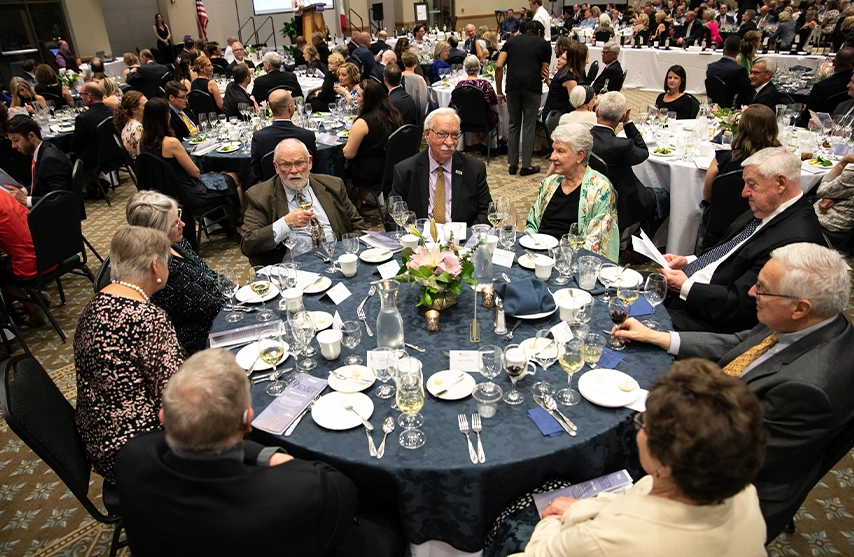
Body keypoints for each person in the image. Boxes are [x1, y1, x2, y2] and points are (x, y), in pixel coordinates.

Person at [613, 242, 854, 543]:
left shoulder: (808, 389)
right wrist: (657, 337)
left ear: (800, 308)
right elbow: (740, 343)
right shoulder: (812, 318)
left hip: (727, 493)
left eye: (763, 289)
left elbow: (727, 460)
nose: (752, 292)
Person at [115, 348, 405, 557]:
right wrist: (278, 458)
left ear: (163, 417)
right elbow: (346, 490)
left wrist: (265, 456)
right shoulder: (300, 490)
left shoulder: (131, 458)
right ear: (248, 421)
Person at [511, 359, 767, 557]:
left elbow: (540, 552)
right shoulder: (744, 493)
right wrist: (580, 509)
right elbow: (643, 500)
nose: (639, 427)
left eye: (644, 422)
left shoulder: (606, 539)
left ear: (666, 463)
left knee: (518, 509)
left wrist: (555, 520)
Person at [661, 147, 825, 333]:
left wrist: (685, 286)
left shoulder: (795, 240)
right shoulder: (767, 210)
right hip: (695, 293)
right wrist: (689, 262)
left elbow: (742, 305)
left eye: (752, 184)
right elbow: (726, 253)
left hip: (708, 319)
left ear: (780, 183)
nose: (744, 193)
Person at [74, 225, 184, 485]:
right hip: (143, 451)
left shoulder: (94, 304)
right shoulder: (147, 319)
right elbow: (177, 400)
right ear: (156, 266)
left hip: (101, 441)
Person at [125, 191, 226, 354]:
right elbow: (210, 309)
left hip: (219, 311)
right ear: (157, 233)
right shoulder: (162, 271)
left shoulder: (176, 243)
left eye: (179, 215)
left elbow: (209, 274)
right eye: (174, 223)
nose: (183, 224)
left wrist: (235, 290)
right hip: (202, 341)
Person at [241, 139, 366, 265]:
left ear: (309, 162)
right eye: (286, 165)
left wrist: (349, 257)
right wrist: (285, 223)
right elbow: (248, 244)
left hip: (336, 261)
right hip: (292, 269)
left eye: (300, 163)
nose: (294, 170)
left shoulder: (333, 185)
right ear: (276, 167)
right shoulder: (259, 196)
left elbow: (357, 225)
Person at [524, 123, 619, 260]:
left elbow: (598, 241)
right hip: (538, 254)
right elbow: (532, 223)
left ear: (580, 155)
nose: (552, 157)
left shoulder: (600, 189)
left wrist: (559, 256)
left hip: (572, 261)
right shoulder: (550, 183)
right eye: (553, 150)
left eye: (560, 151)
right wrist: (532, 247)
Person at [140, 98, 241, 222]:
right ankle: (237, 222)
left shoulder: (143, 142)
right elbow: (195, 173)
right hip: (186, 193)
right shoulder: (170, 143)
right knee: (233, 177)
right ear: (166, 116)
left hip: (160, 193)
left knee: (221, 175)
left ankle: (224, 222)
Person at [390, 108, 492, 226]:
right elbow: (392, 216)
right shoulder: (405, 171)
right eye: (442, 134)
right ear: (427, 135)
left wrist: (469, 239)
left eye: (454, 135)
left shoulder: (475, 170)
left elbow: (486, 212)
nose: (449, 142)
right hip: (420, 239)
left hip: (461, 241)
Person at [591, 92, 660, 234]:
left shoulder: (584, 136)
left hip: (591, 194)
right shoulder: (622, 145)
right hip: (621, 202)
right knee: (663, 196)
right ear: (622, 116)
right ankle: (640, 244)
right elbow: (643, 152)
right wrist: (627, 122)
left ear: (596, 112)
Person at [496, 20, 552, 177]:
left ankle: (512, 164)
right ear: (540, 32)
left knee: (514, 124)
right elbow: (544, 71)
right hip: (532, 87)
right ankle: (526, 165)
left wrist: (499, 92)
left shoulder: (511, 41)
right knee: (529, 126)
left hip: (512, 86)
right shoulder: (544, 44)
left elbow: (499, 65)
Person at [703, 104, 780, 203]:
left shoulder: (724, 158)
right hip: (765, 214)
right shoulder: (781, 161)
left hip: (723, 215)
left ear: (741, 127)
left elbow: (707, 195)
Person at [343, 79, 403, 203]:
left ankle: (350, 205)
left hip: (371, 174)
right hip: (390, 168)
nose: (356, 99)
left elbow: (348, 154)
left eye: (358, 96)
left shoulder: (363, 122)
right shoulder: (393, 114)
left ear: (368, 99)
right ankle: (358, 204)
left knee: (342, 167)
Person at [250, 89, 318, 184]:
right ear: (290, 107)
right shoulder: (307, 135)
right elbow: (315, 168)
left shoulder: (259, 137)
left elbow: (256, 172)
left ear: (271, 109)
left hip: (270, 188)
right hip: (302, 183)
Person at [3, 115, 72, 208]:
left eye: (16, 140)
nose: (13, 146)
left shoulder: (50, 160)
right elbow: (42, 185)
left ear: (32, 136)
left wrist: (25, 200)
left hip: (54, 217)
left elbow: (59, 198)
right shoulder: (42, 151)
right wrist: (24, 191)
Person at [796, 47, 854, 126]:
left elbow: (807, 115)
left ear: (833, 62)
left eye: (852, 82)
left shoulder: (821, 87)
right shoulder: (842, 105)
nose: (848, 85)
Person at [72, 83, 115, 181]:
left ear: (89, 97)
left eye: (82, 94)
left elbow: (75, 146)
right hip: (115, 153)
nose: (81, 97)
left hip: (94, 159)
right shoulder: (113, 111)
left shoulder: (83, 118)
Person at [450, 55, 498, 134]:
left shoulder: (460, 85)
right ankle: (484, 143)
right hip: (484, 119)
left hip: (464, 119)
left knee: (470, 114)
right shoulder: (485, 84)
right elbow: (494, 102)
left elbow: (453, 104)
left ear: (465, 69)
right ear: (479, 67)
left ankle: (480, 142)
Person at [706, 35, 754, 107]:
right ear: (739, 50)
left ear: (724, 49)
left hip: (713, 105)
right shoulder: (739, 70)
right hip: (732, 107)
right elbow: (750, 90)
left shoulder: (711, 67)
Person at [814, 153, 854, 233]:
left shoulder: (851, 173)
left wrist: (843, 161)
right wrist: (836, 196)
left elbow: (822, 191)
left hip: (832, 223)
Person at [114, 91, 147, 160]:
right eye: (145, 105)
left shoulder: (128, 124)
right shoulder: (138, 128)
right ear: (134, 110)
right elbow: (144, 155)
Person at [541, 53, 575, 118]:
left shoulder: (563, 75)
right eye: (560, 57)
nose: (559, 60)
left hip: (551, 114)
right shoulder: (566, 76)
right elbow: (574, 103)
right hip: (556, 116)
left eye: (563, 58)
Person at [401, 51, 429, 120]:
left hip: (403, 110)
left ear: (403, 63)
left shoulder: (399, 75)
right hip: (416, 114)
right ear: (415, 63)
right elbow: (424, 101)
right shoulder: (419, 79)